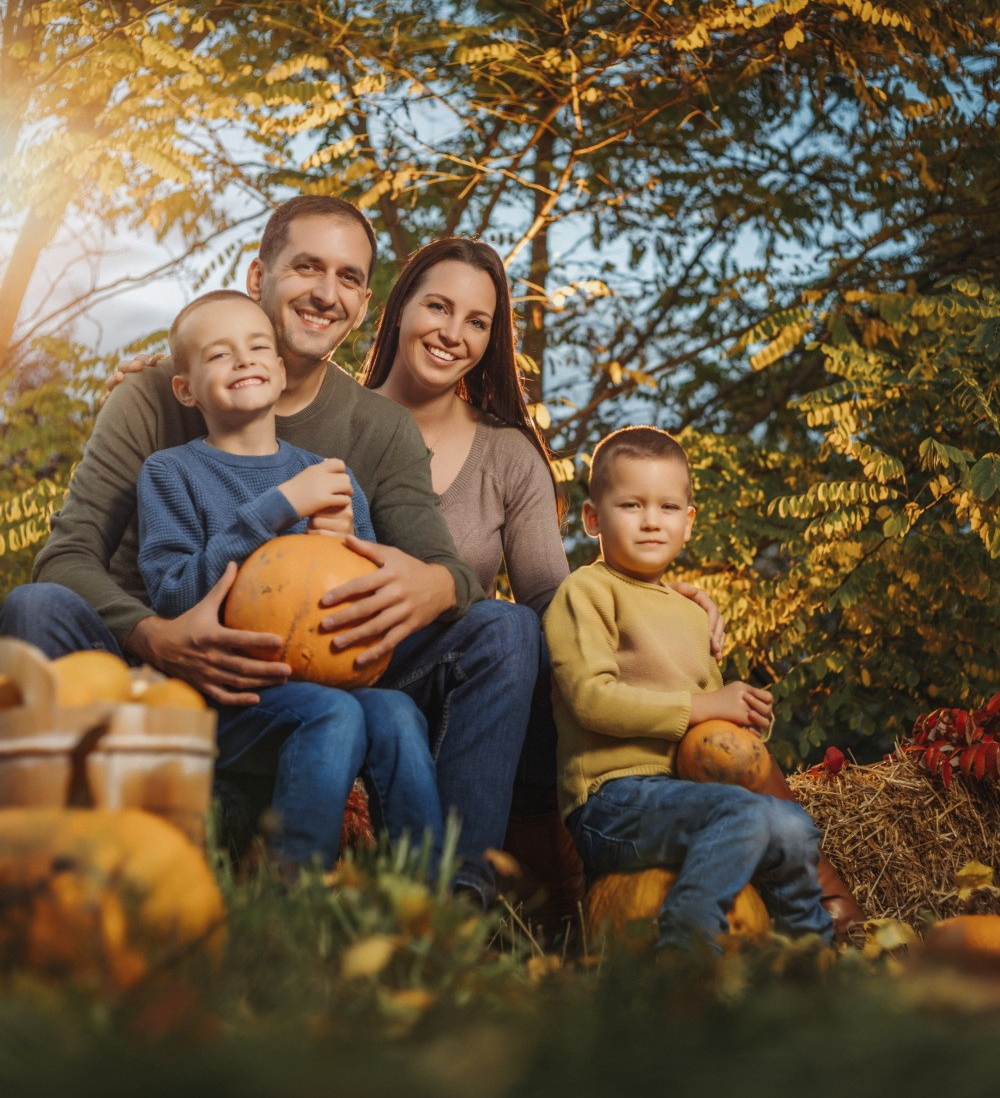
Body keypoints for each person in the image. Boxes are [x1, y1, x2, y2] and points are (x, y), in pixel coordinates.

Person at [0, 197, 537, 905]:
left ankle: (460, 903)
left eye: (348, 276)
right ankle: (54, 876)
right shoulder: (156, 396)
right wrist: (154, 635)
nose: (325, 291)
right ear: (259, 274)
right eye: (306, 266)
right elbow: (65, 557)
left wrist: (435, 585)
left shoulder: (376, 429)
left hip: (324, 667)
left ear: (363, 299)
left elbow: (448, 569)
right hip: (155, 656)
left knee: (506, 628)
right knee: (35, 607)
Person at [360, 238, 725, 926]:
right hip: (347, 666)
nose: (453, 333)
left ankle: (461, 901)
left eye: (477, 321)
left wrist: (661, 616)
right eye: (437, 306)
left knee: (511, 627)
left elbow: (554, 607)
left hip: (467, 687)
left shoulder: (507, 455)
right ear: (399, 307)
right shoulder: (329, 418)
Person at [136, 288, 443, 872]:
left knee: (398, 714)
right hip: (225, 693)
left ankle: (427, 903)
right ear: (186, 387)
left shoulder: (328, 476)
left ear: (279, 372)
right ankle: (292, 902)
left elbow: (361, 589)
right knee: (336, 714)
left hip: (328, 679)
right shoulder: (170, 472)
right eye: (219, 355)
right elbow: (173, 594)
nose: (245, 360)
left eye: (257, 347)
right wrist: (275, 509)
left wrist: (343, 543)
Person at [544, 425, 834, 952]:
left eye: (668, 508)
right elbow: (590, 698)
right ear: (593, 518)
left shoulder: (691, 611)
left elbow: (709, 723)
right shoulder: (584, 591)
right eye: (631, 505)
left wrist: (742, 719)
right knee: (742, 814)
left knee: (791, 824)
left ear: (688, 522)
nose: (652, 521)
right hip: (614, 801)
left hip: (692, 793)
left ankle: (812, 954)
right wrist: (702, 706)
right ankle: (686, 944)